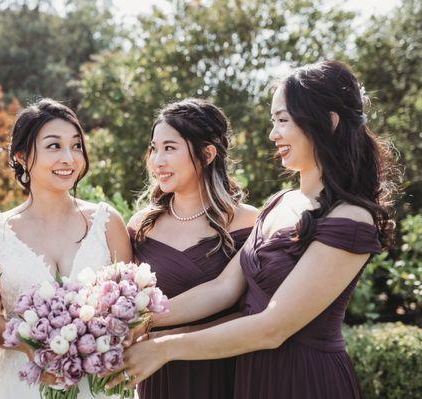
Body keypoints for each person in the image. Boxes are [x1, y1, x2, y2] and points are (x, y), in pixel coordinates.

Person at [115, 60, 397, 399]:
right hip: (251, 377)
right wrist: (141, 322)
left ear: (329, 122)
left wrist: (165, 349)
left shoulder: (350, 219)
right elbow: (223, 289)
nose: (272, 133)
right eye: (272, 121)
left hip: (305, 381)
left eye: (282, 120)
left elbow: (272, 327)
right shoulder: (279, 203)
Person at [0, 99, 133, 398]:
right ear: (21, 156)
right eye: (54, 146)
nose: (69, 158)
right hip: (21, 383)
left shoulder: (108, 223)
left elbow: (129, 307)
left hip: (96, 382)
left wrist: (98, 340)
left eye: (76, 146)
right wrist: (30, 343)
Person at [127, 99, 258, 398]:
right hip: (159, 378)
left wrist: (161, 332)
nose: (157, 160)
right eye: (154, 148)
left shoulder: (249, 221)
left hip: (226, 369)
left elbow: (255, 311)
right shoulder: (141, 226)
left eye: (170, 148)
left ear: (207, 154)